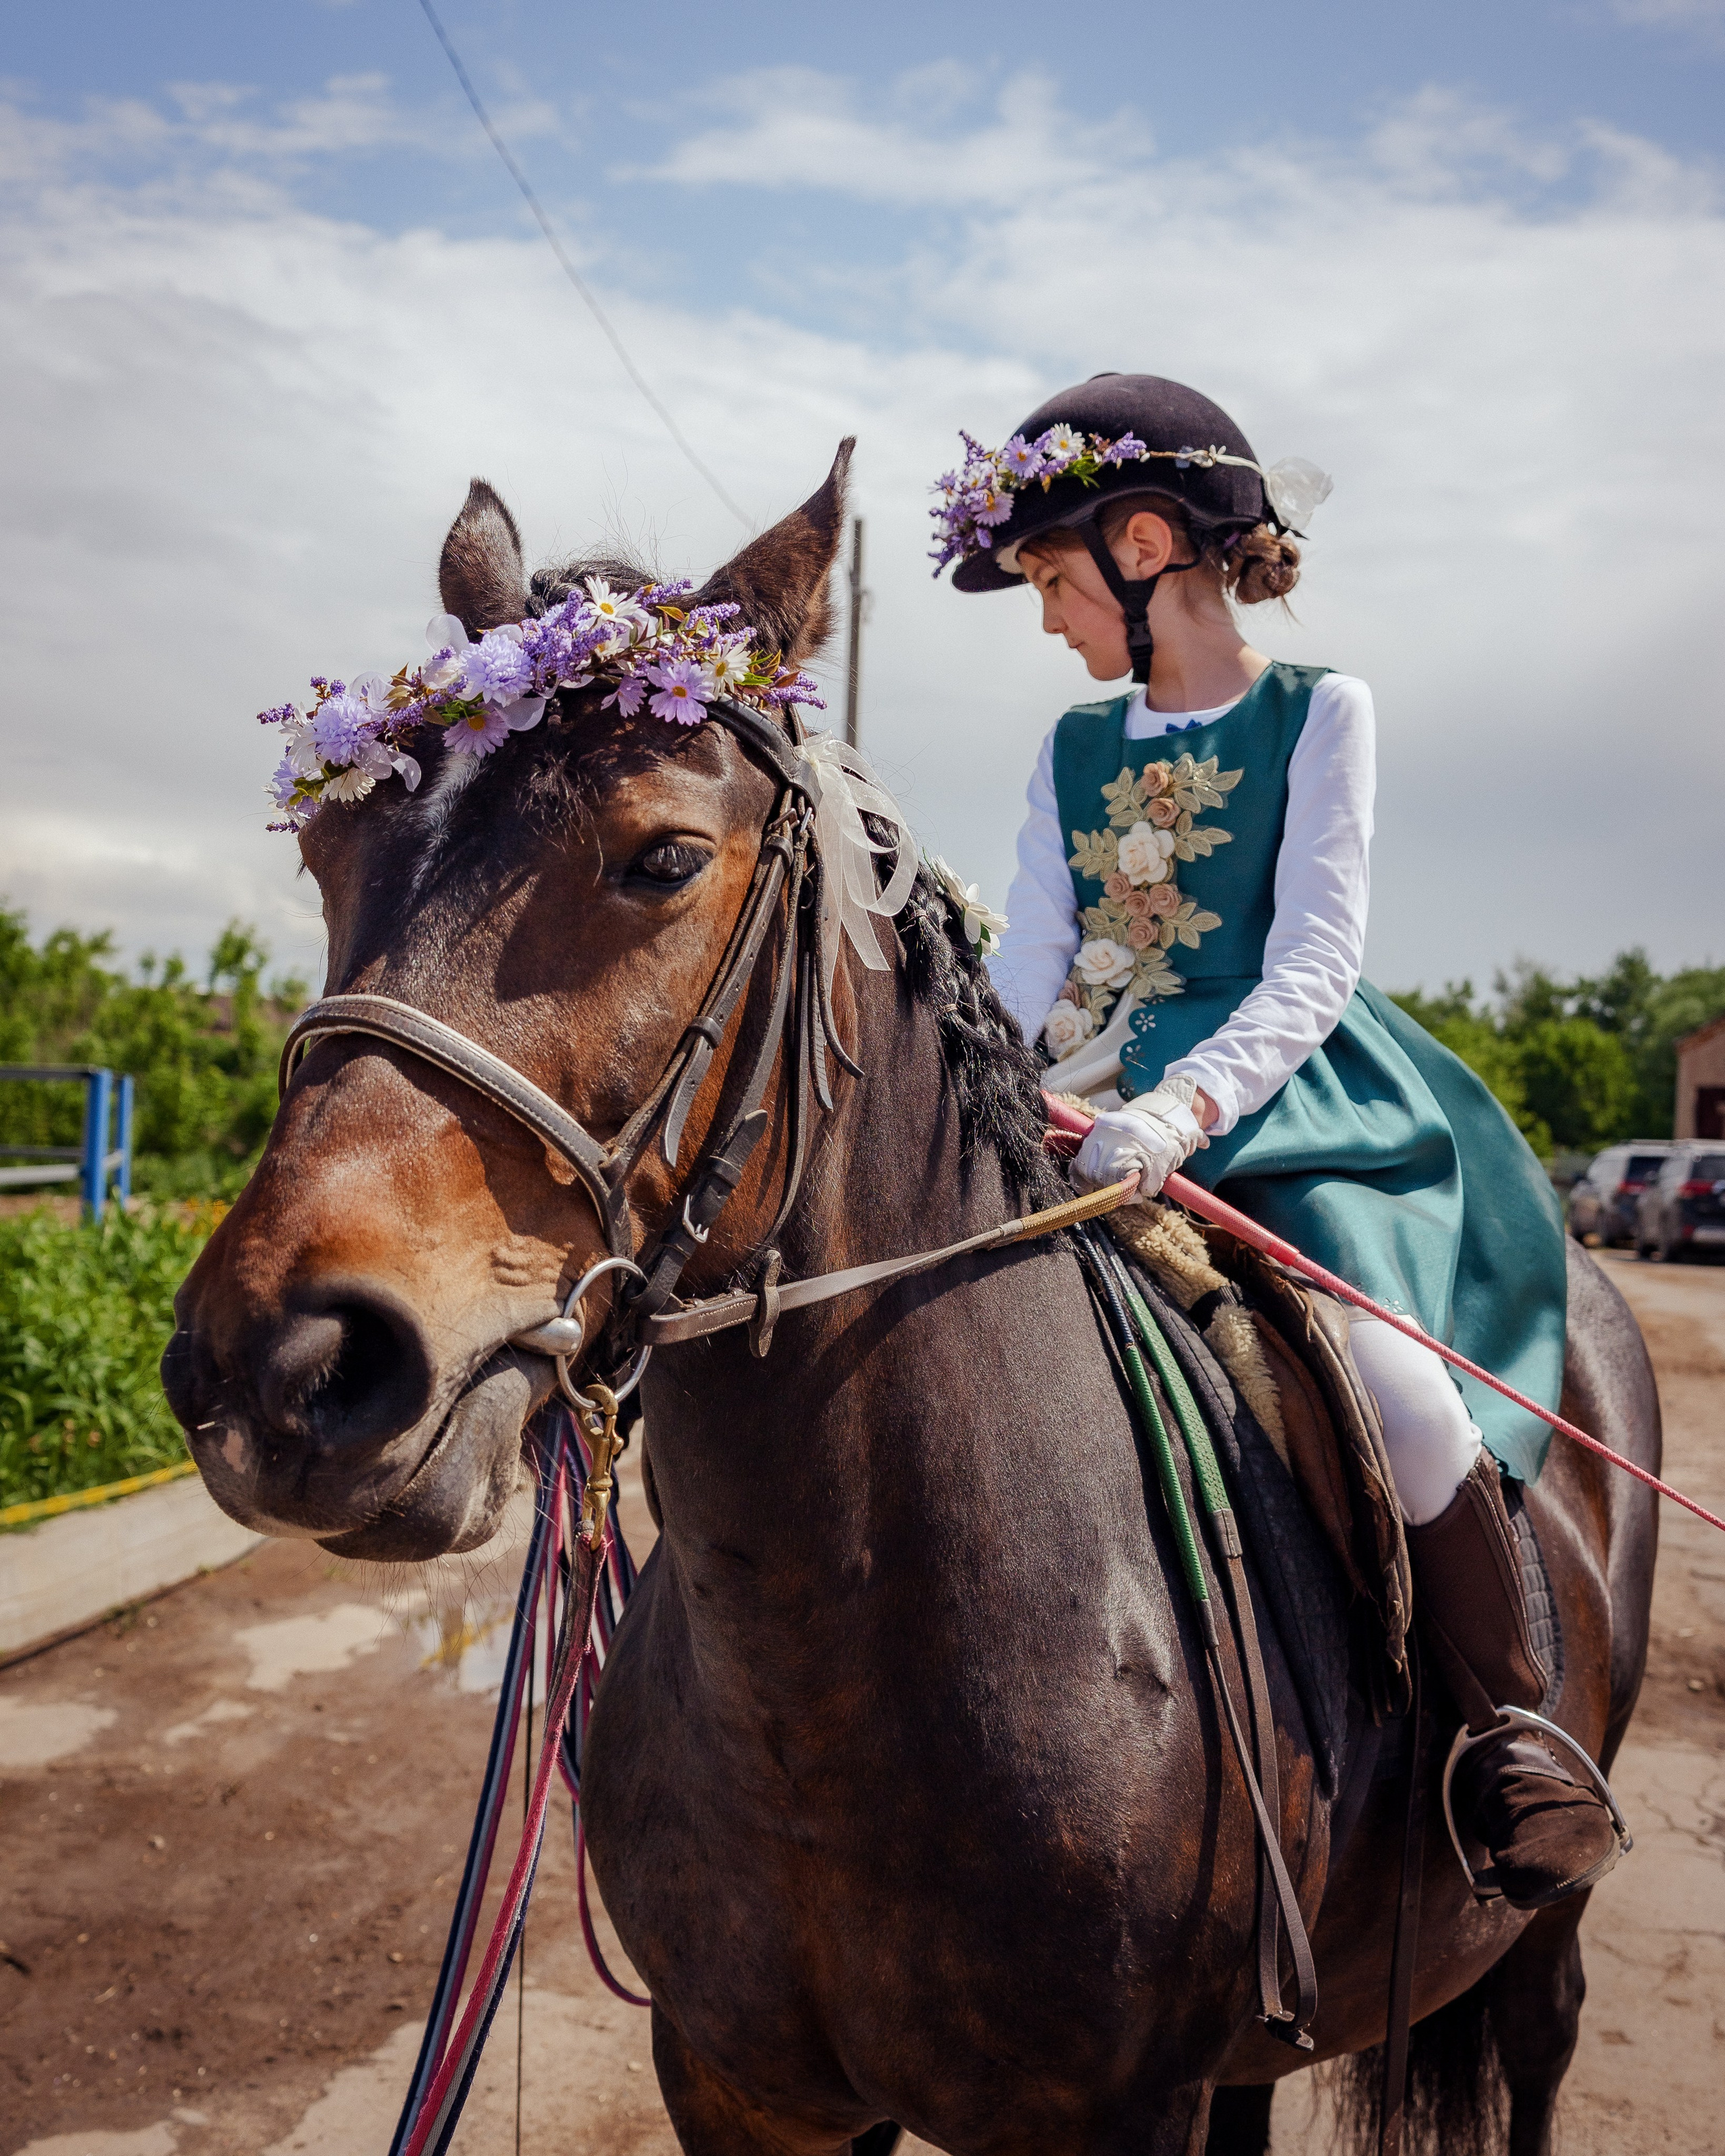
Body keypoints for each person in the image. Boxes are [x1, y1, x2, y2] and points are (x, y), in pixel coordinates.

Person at [935, 372, 1617, 1909]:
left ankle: (1507, 1732)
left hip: (1275, 1095)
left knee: (1398, 1390)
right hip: (1074, 1088)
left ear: (1142, 544)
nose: (1045, 618)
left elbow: (1311, 957)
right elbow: (1030, 948)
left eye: (1049, 581)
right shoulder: (1068, 742)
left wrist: (1178, 1108)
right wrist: (968, 1068)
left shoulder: (1322, 712)